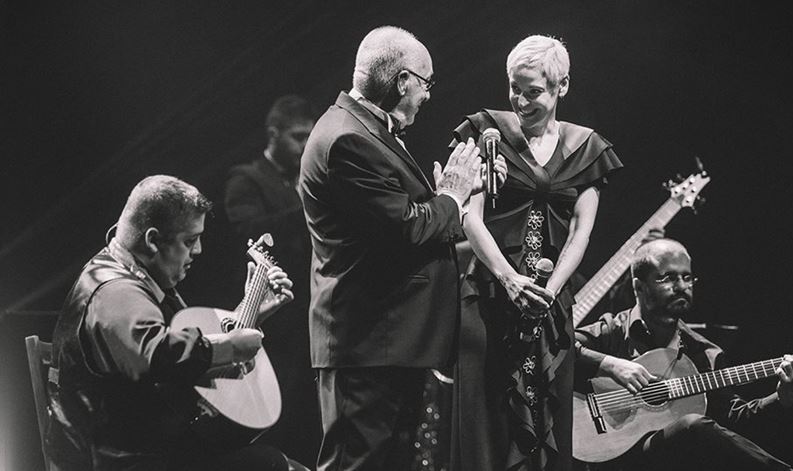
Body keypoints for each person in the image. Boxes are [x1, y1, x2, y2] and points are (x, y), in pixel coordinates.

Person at [298, 26, 494, 471]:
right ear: (403, 80)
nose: (427, 95)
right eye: (425, 83)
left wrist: (457, 199)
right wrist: (452, 196)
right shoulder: (348, 139)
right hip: (368, 344)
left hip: (391, 344)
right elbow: (406, 230)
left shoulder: (365, 131)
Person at [451, 35, 623, 471]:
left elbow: (581, 231)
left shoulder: (587, 148)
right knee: (486, 426)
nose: (521, 101)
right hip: (490, 298)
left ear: (562, 87)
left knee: (547, 423)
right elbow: (467, 215)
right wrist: (510, 280)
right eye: (514, 88)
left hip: (548, 308)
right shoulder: (485, 131)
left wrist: (549, 291)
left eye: (534, 92)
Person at [48, 175, 296, 471]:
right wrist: (230, 346)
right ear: (152, 240)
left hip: (147, 451)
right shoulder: (115, 291)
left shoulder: (135, 276)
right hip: (118, 462)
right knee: (270, 465)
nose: (199, 250)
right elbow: (158, 354)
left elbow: (176, 359)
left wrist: (251, 312)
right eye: (189, 240)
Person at [575, 238, 793, 471]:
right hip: (604, 457)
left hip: (663, 460)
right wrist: (610, 365)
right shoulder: (612, 330)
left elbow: (733, 421)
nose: (682, 286)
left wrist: (781, 397)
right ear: (639, 286)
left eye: (687, 277)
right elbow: (556, 347)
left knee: (695, 428)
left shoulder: (704, 353)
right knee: (692, 424)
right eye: (668, 278)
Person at [223, 94, 321, 467]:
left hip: (307, 319)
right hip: (270, 326)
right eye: (297, 137)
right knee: (276, 420)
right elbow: (247, 234)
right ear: (273, 134)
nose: (304, 147)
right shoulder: (245, 178)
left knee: (309, 422)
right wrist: (309, 204)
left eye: (308, 138)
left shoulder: (304, 180)